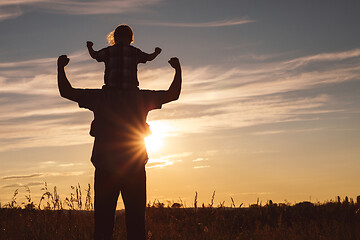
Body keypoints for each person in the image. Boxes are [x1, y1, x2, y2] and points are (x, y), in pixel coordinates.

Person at [57, 54, 182, 240]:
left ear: (108, 70)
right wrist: (177, 70)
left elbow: (67, 91)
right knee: (136, 225)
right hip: (134, 167)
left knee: (103, 225)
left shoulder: (100, 97)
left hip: (106, 167)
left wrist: (61, 68)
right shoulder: (141, 98)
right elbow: (173, 94)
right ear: (134, 71)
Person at [87, 24, 162, 89]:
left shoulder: (109, 51)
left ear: (115, 38)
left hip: (111, 89)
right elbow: (149, 58)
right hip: (131, 90)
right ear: (130, 39)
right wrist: (156, 52)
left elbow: (94, 55)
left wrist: (90, 47)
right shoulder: (134, 51)